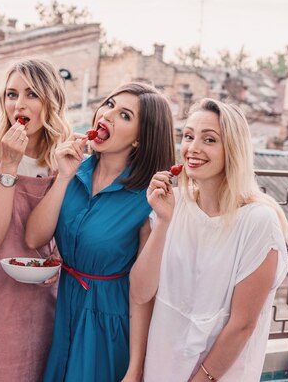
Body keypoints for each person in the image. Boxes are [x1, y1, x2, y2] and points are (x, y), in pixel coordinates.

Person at [130, 98, 288, 382]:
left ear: (233, 149)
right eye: (189, 136)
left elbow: (242, 324)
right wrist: (164, 222)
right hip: (161, 368)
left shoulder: (258, 222)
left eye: (209, 139)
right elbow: (141, 293)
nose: (193, 148)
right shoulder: (171, 205)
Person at [26, 82, 176, 382]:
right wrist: (63, 177)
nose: (106, 115)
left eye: (124, 115)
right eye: (109, 104)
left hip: (109, 325)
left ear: (139, 139)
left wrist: (135, 368)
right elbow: (34, 239)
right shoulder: (73, 169)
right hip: (63, 313)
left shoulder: (147, 200)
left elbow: (142, 296)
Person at [0, 58, 71, 382]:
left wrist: (63, 254)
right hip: (0, 311)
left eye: (31, 94)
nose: (18, 104)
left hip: (54, 310)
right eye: (11, 94)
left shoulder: (64, 162)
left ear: (50, 101)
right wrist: (8, 165)